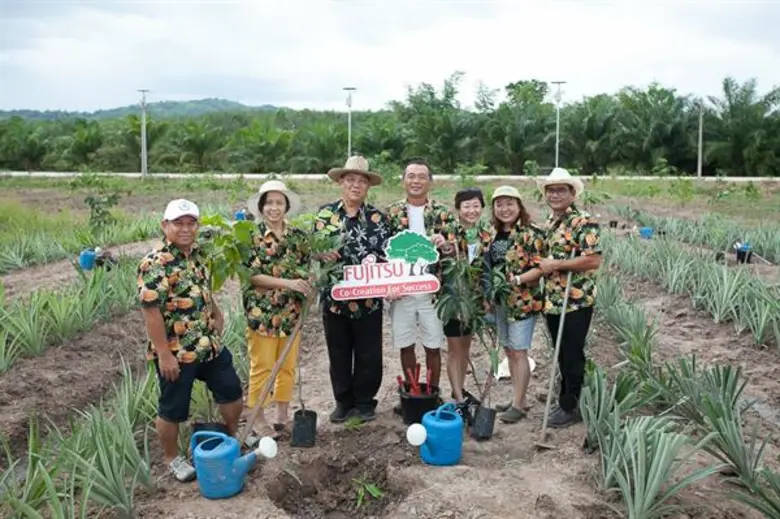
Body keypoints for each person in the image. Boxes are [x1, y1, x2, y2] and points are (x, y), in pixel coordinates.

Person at [137, 199, 243, 482]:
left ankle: (233, 437)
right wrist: (164, 354)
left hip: (208, 346)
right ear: (165, 226)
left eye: (190, 223)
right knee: (173, 408)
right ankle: (172, 458)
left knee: (231, 389)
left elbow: (202, 290)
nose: (185, 229)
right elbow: (151, 312)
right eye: (178, 223)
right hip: (177, 351)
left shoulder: (197, 255)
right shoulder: (155, 263)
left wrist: (217, 313)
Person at [315, 156, 390, 423]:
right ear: (341, 182)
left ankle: (364, 401)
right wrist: (321, 254)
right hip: (335, 298)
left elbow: (387, 255)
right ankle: (343, 401)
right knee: (338, 351)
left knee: (369, 351)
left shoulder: (379, 218)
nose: (355, 185)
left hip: (369, 299)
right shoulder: (324, 216)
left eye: (361, 181)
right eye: (350, 180)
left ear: (368, 186)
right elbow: (314, 250)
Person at [525, 168, 602, 428]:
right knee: (560, 352)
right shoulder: (551, 221)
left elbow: (593, 260)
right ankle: (565, 395)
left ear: (572, 193)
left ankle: (570, 406)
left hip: (575, 300)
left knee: (571, 352)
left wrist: (556, 264)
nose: (555, 194)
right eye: (551, 190)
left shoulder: (583, 221)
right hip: (554, 299)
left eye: (561, 190)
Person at [385, 158, 457, 414]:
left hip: (432, 291)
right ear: (404, 180)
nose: (416, 181)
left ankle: (432, 393)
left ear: (430, 181)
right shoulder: (391, 213)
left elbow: (453, 250)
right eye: (411, 176)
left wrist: (445, 244)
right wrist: (387, 284)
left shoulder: (442, 213)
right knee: (405, 343)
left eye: (421, 176)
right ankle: (411, 392)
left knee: (433, 343)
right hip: (401, 291)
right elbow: (383, 252)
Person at [242, 180, 313, 440]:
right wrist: (288, 283)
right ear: (261, 208)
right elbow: (252, 276)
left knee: (287, 366)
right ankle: (257, 418)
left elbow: (305, 270)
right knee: (262, 366)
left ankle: (282, 416)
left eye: (279, 203)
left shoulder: (298, 238)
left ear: (286, 206)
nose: (274, 208)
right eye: (269, 203)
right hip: (262, 315)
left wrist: (307, 285)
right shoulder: (250, 237)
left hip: (291, 314)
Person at [483, 186, 545, 424]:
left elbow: (541, 267)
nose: (505, 209)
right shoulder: (492, 234)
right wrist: (488, 294)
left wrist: (518, 279)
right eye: (499, 204)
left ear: (519, 207)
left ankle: (519, 404)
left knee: (519, 351)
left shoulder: (531, 233)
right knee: (509, 350)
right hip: (500, 302)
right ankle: (518, 398)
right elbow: (488, 266)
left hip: (522, 302)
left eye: (510, 204)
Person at [440, 187, 493, 418]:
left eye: (476, 205)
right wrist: (440, 246)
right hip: (453, 299)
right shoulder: (447, 232)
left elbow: (488, 268)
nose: (471, 210)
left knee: (466, 348)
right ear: (458, 209)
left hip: (475, 301)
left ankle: (458, 390)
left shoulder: (486, 234)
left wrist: (488, 296)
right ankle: (459, 398)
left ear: (482, 207)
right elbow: (438, 261)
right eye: (466, 206)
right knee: (454, 349)